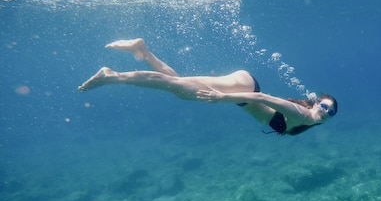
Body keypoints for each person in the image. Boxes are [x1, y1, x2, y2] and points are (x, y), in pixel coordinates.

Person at [78, 38, 338, 135]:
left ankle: (141, 50)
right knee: (177, 87)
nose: (326, 111)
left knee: (179, 85)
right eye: (325, 106)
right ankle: (113, 76)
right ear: (317, 104)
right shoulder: (300, 114)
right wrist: (220, 97)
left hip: (243, 90)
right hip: (244, 91)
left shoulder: (309, 121)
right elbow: (262, 97)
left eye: (331, 111)